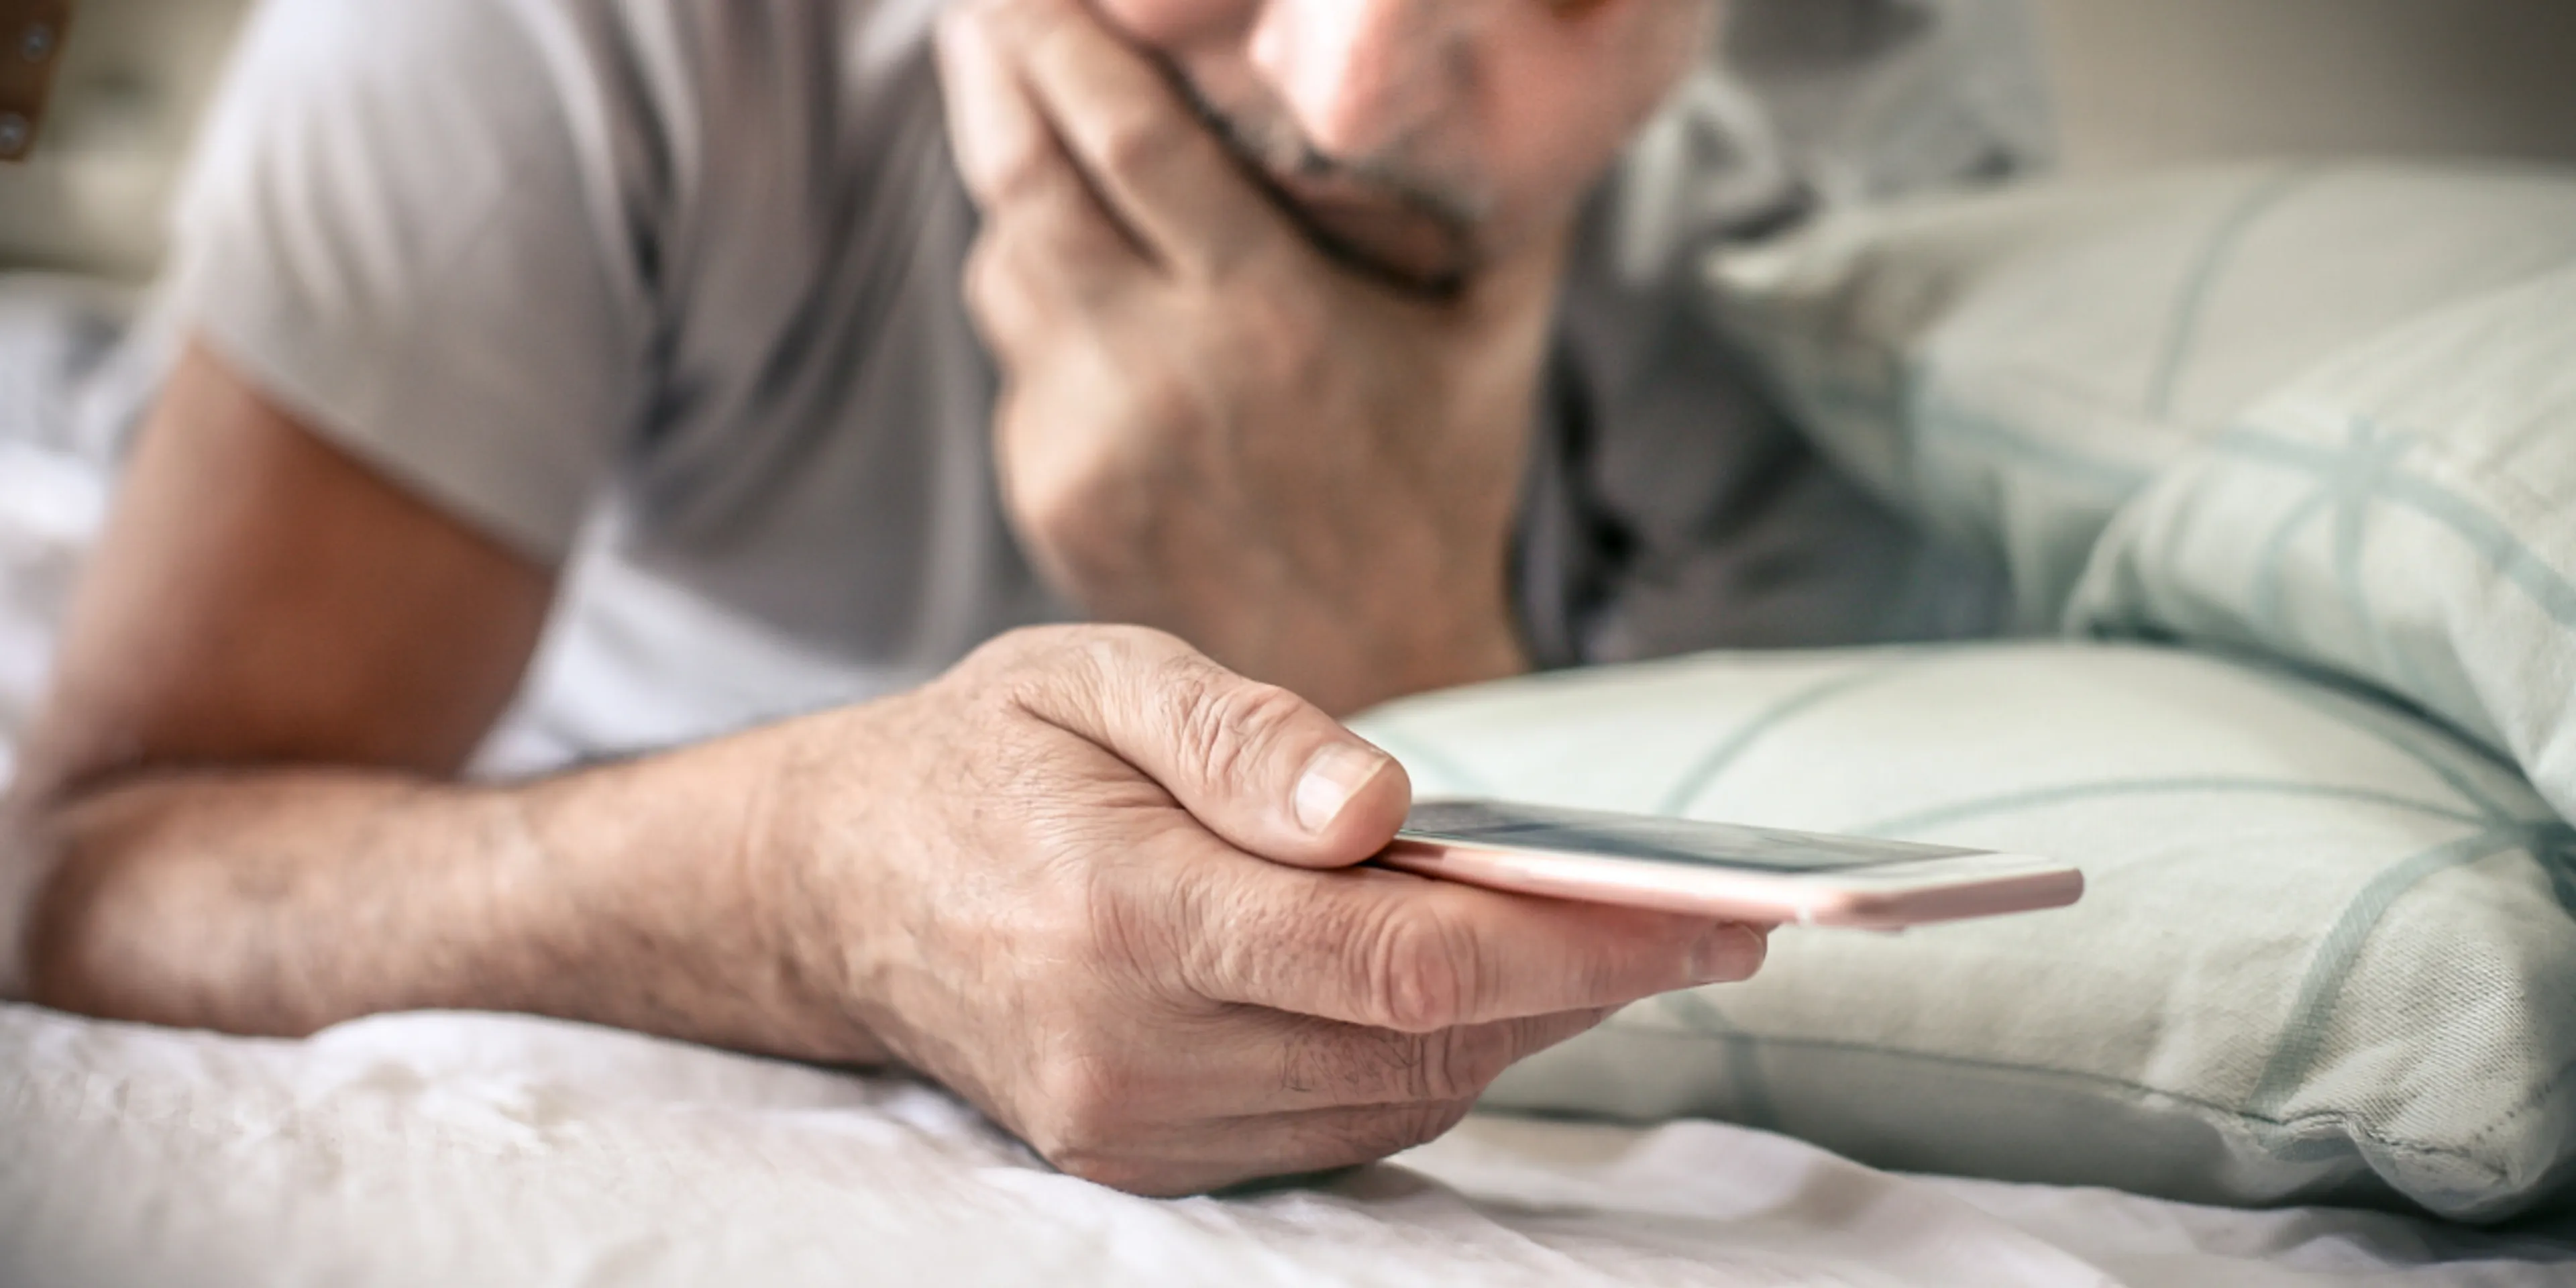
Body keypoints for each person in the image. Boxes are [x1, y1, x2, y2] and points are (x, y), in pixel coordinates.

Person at [0, 0, 2039, 1195]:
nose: (1351, 96)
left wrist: (1381, 632)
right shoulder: (564, 37)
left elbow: (1875, 989)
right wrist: (805, 893)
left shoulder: (1851, 144)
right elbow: (100, 863)